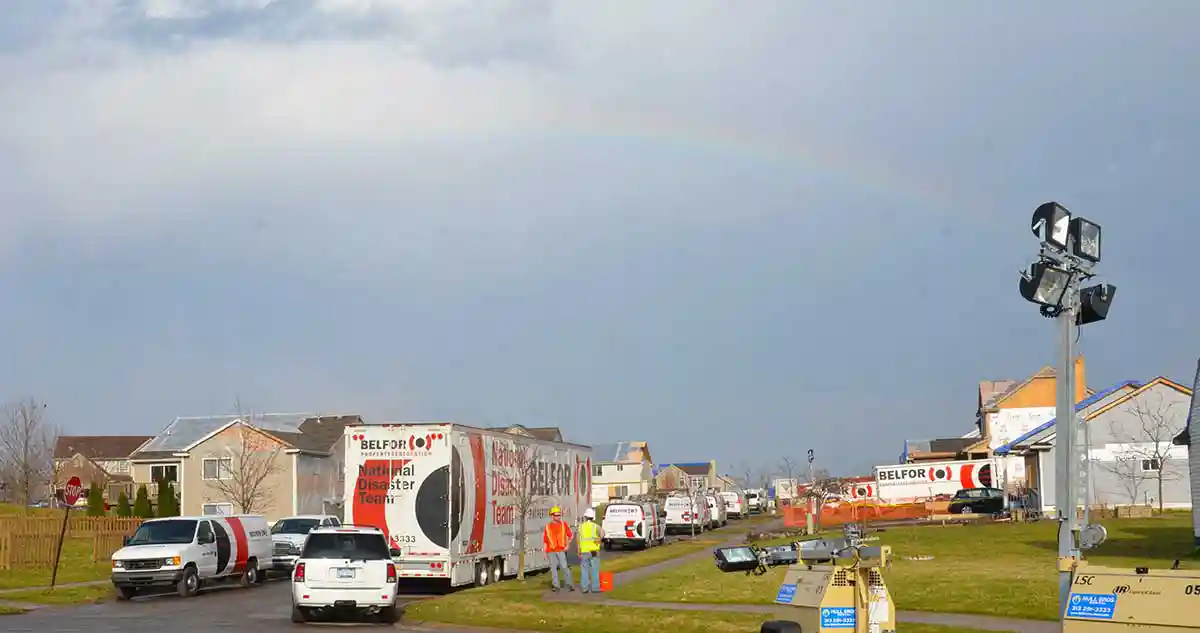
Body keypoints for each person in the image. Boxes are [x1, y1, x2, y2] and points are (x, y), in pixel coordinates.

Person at [542, 506, 575, 592]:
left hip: (561, 550)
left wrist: (568, 545)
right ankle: (556, 586)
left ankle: (570, 584)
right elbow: (545, 541)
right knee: (553, 569)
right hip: (551, 551)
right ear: (552, 516)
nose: (558, 517)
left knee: (564, 567)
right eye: (556, 515)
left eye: (559, 515)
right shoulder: (547, 527)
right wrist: (544, 553)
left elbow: (571, 535)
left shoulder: (564, 525)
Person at [577, 507, 603, 593]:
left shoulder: (580, 527)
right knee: (595, 569)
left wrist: (579, 551)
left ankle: (585, 588)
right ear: (593, 517)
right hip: (594, 551)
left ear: (585, 517)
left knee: (584, 570)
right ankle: (595, 588)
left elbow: (578, 540)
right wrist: (599, 538)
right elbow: (603, 533)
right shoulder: (596, 526)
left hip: (584, 551)